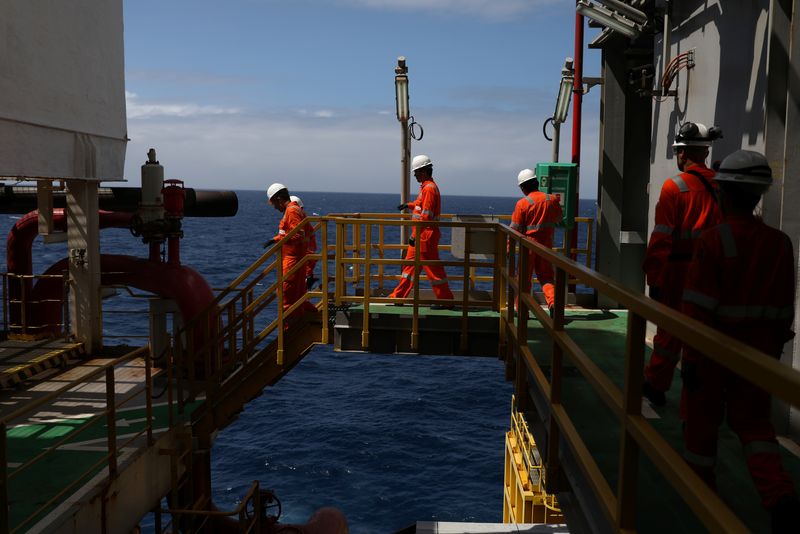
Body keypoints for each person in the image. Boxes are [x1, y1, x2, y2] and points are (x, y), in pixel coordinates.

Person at [680, 150, 798, 533]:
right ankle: (779, 495)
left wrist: (692, 359)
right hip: (759, 355)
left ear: (724, 192)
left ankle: (702, 498)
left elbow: (698, 310)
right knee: (756, 427)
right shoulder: (780, 244)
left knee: (701, 426)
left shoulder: (713, 241)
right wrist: (772, 352)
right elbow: (784, 310)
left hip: (714, 353)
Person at [641, 121, 723, 406]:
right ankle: (699, 392)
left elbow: (662, 237)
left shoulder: (674, 187)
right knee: (702, 332)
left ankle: (655, 383)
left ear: (683, 152)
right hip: (713, 271)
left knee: (669, 330)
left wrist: (654, 279)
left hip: (678, 270)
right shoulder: (722, 185)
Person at [389, 154, 454, 308]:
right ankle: (398, 297)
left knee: (433, 269)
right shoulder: (426, 187)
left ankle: (445, 300)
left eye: (416, 172)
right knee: (409, 268)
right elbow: (419, 205)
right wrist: (408, 205)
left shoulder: (429, 189)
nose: (414, 175)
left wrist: (415, 236)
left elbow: (426, 215)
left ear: (423, 171)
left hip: (425, 235)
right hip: (421, 234)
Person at [509, 168, 563, 312]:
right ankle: (553, 303)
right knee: (546, 277)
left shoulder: (523, 204)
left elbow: (514, 228)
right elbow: (558, 219)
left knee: (523, 280)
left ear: (522, 187)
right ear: (537, 182)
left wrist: (508, 248)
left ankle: (521, 309)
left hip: (529, 246)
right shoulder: (552, 200)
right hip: (546, 245)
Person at [266, 183, 316, 316]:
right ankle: (311, 317)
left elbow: (298, 234)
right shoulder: (294, 209)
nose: (275, 208)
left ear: (278, 199)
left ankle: (288, 332)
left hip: (292, 261)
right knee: (297, 297)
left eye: (274, 204)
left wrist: (276, 240)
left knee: (286, 298)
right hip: (294, 259)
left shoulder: (292, 210)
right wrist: (276, 238)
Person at [290, 195, 318, 290]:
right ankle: (308, 278)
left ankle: (308, 279)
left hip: (305, 251)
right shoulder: (304, 220)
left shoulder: (300, 220)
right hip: (307, 249)